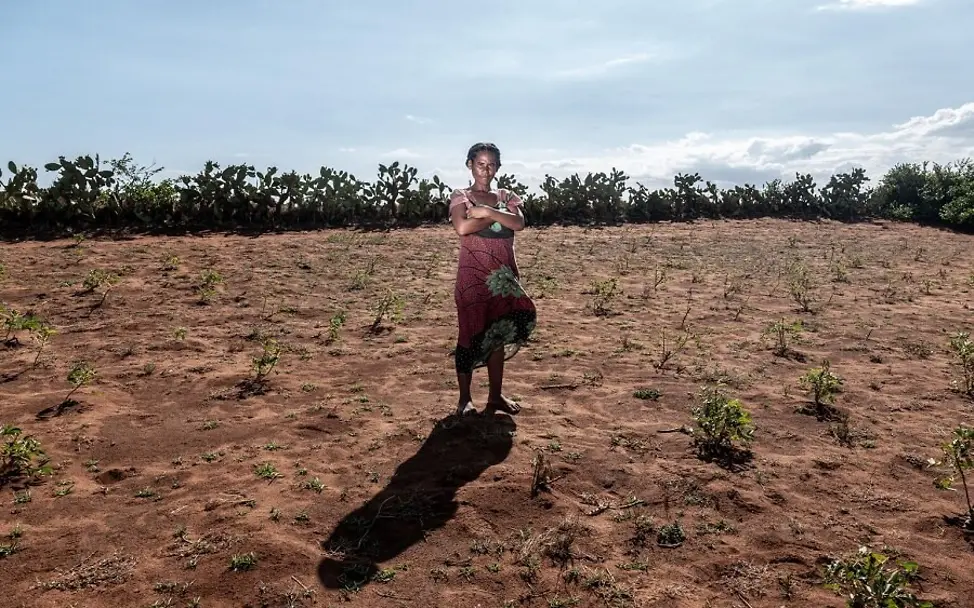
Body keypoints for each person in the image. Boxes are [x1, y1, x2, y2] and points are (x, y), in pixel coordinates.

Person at [448, 142, 537, 417]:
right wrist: (499, 217)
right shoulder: (460, 195)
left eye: (491, 165)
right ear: (469, 165)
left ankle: (495, 396)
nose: (486, 170)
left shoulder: (508, 195)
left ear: (498, 167)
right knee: (469, 336)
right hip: (472, 279)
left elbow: (519, 223)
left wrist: (485, 213)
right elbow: (462, 227)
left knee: (497, 335)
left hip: (503, 278)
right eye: (480, 164)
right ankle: (465, 400)